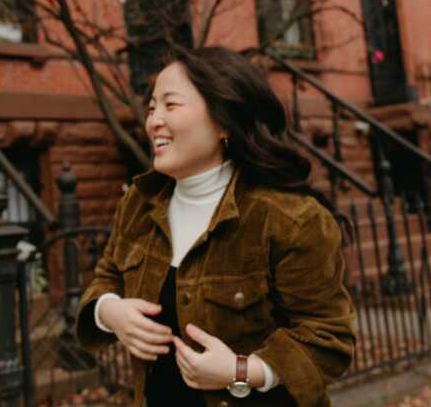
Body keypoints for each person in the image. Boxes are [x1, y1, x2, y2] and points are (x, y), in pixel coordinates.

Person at [75, 47, 356, 406]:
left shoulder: (290, 219)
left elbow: (328, 339)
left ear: (223, 121)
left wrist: (242, 371)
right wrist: (109, 312)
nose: (152, 121)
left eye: (170, 105)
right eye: (151, 108)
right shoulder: (140, 203)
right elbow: (107, 278)